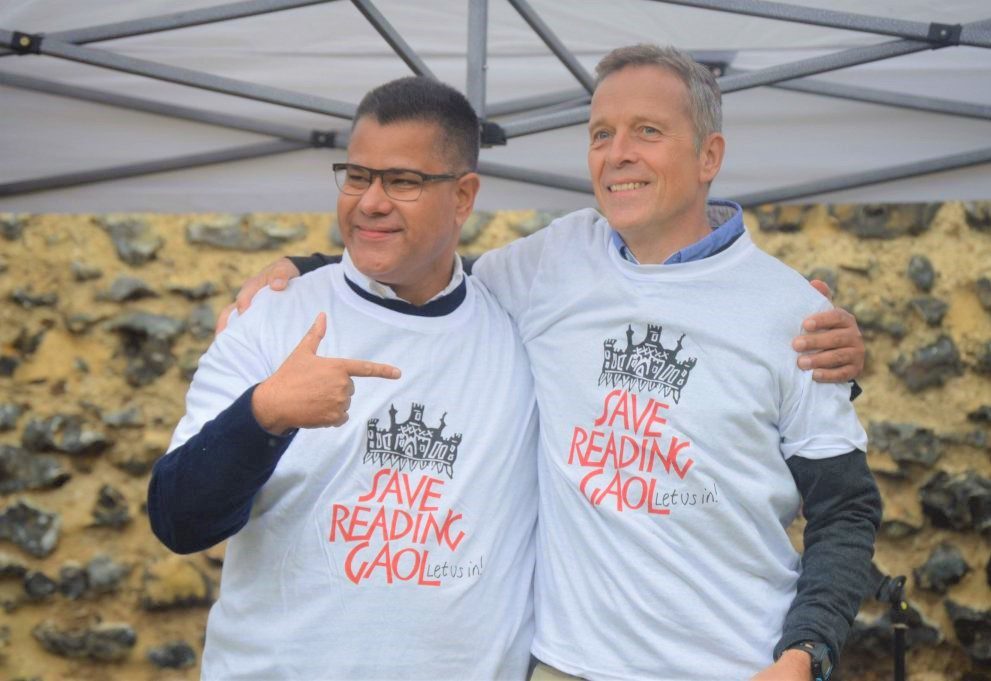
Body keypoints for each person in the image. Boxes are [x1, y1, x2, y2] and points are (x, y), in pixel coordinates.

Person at [229, 45, 881, 681]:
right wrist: (308, 268)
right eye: (600, 133)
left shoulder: (795, 314)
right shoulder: (553, 262)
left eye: (646, 131)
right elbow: (430, 278)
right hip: (564, 665)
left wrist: (805, 655)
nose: (616, 153)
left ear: (708, 155)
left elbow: (845, 509)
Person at [148, 77, 541, 679]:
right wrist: (264, 415)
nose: (370, 201)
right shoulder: (275, 316)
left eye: (402, 181)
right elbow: (179, 521)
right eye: (357, 176)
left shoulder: (522, 324)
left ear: (463, 196)